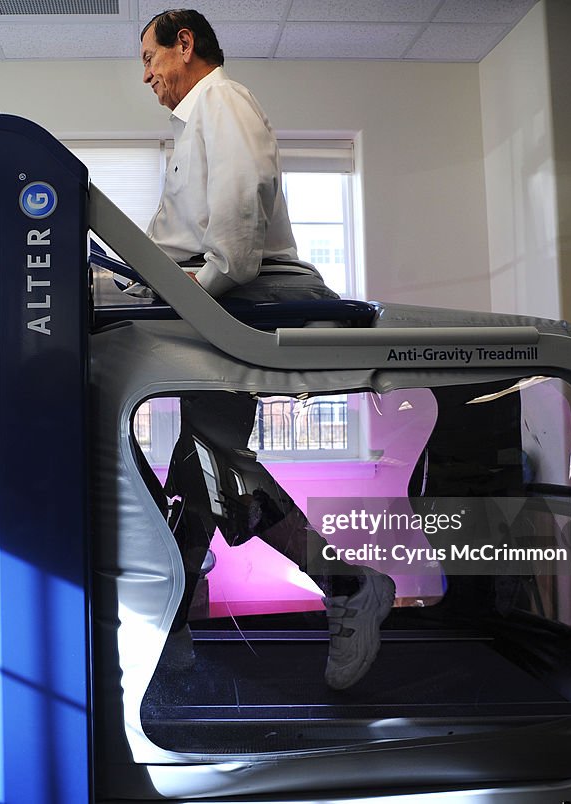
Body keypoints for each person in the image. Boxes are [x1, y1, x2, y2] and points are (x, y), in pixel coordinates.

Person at [139, 9, 395, 690]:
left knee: (209, 463)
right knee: (202, 466)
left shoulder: (219, 100)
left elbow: (234, 236)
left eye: (151, 58)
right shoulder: (195, 123)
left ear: (184, 44)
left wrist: (190, 294)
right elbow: (176, 239)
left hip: (251, 298)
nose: (147, 75)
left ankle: (344, 586)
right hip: (218, 298)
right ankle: (176, 625)